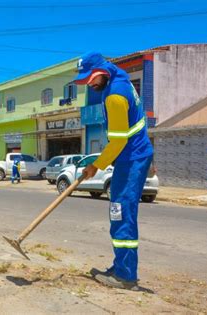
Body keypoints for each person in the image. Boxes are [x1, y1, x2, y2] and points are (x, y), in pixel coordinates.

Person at [74, 52, 153, 290]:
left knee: (121, 212)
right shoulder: (120, 78)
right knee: (120, 211)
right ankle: (121, 267)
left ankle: (125, 276)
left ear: (102, 70)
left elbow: (117, 142)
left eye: (91, 78)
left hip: (131, 157)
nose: (89, 83)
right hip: (133, 155)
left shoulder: (115, 96)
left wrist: (94, 166)